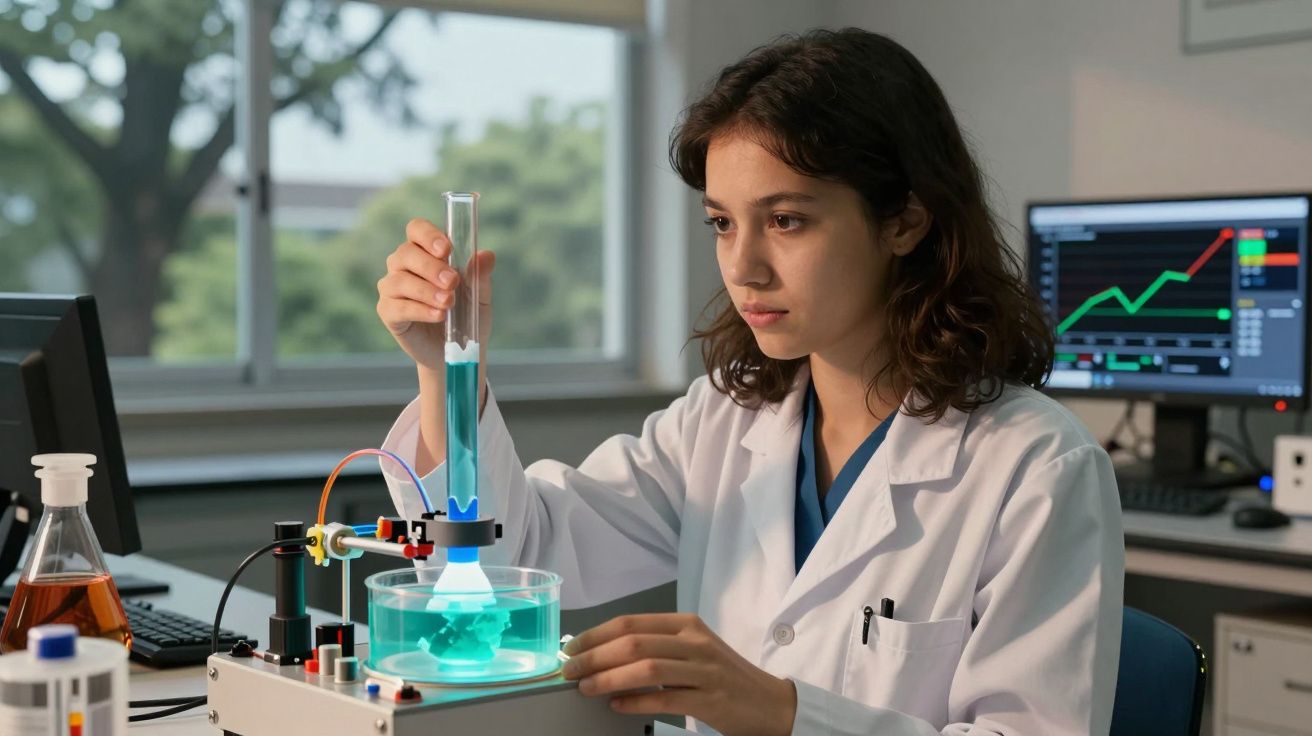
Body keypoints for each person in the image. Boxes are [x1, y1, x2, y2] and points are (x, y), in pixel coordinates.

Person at [374, 27, 1123, 736]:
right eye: (723, 223)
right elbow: (519, 557)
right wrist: (445, 373)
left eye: (787, 220)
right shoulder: (723, 422)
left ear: (905, 221)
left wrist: (780, 711)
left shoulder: (1035, 469)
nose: (743, 267)